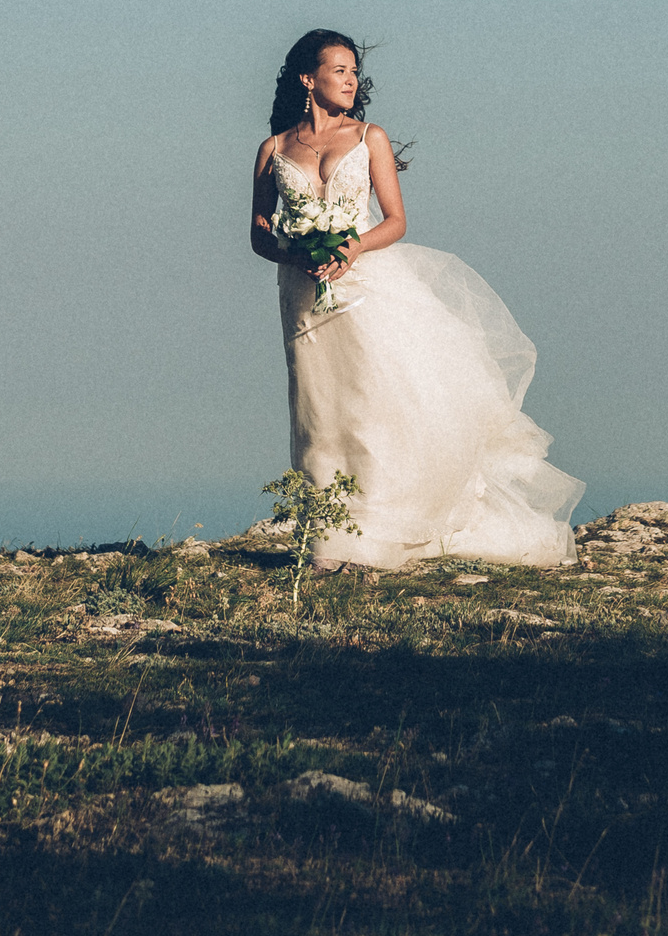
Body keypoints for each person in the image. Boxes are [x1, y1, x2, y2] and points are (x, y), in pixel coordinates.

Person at [250, 29, 584, 569]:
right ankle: (328, 537)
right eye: (340, 71)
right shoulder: (274, 149)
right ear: (307, 79)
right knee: (320, 412)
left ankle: (379, 532)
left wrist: (350, 248)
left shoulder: (369, 137)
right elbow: (260, 236)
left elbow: (396, 221)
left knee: (373, 405)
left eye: (355, 71)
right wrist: (298, 253)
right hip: (305, 293)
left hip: (366, 284)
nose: (351, 80)